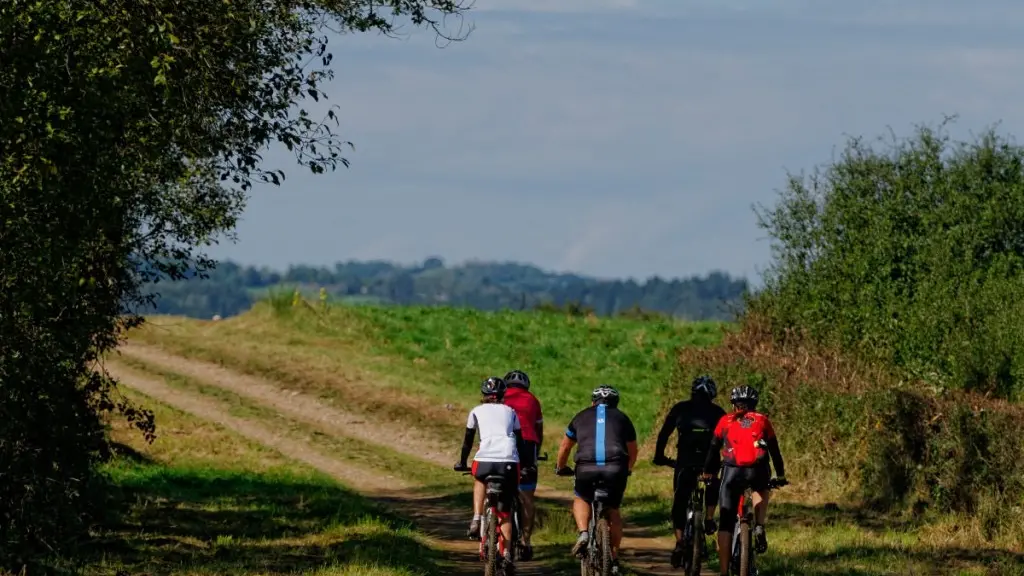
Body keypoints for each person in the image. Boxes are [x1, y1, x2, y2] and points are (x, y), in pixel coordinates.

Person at [702, 385, 787, 576]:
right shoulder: (762, 420)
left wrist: (708, 472)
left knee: (725, 524)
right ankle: (759, 525)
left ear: (734, 404)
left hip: (732, 473)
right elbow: (774, 450)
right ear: (754, 404)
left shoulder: (725, 421)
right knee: (762, 487)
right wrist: (780, 476)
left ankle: (723, 572)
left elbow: (713, 449)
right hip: (758, 471)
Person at [555, 385, 637, 575]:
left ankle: (584, 533)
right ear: (616, 403)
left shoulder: (580, 416)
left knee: (582, 497)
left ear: (593, 402)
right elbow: (633, 450)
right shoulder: (623, 418)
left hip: (586, 467)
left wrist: (560, 467)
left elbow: (565, 447)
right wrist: (628, 469)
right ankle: (613, 558)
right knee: (613, 509)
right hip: (615, 468)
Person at [653, 374, 727, 568]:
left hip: (685, 461)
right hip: (709, 461)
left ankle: (679, 542)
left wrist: (659, 457)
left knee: (680, 499)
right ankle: (709, 518)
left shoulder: (679, 408)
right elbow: (729, 438)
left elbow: (664, 434)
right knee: (713, 481)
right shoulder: (719, 412)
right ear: (712, 394)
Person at [456, 376, 527, 566]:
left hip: (484, 461)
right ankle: (507, 554)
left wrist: (462, 462)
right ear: (503, 394)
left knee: (479, 478)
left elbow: (467, 441)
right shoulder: (511, 411)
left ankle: (477, 518)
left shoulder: (476, 411)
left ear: (483, 394)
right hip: (508, 462)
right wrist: (526, 465)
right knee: (505, 511)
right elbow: (520, 442)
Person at [501, 369, 544, 560]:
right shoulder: (533, 399)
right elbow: (538, 429)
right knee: (527, 494)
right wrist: (537, 451)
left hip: (503, 444)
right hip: (527, 444)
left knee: (500, 486)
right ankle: (526, 541)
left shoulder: (500, 397)